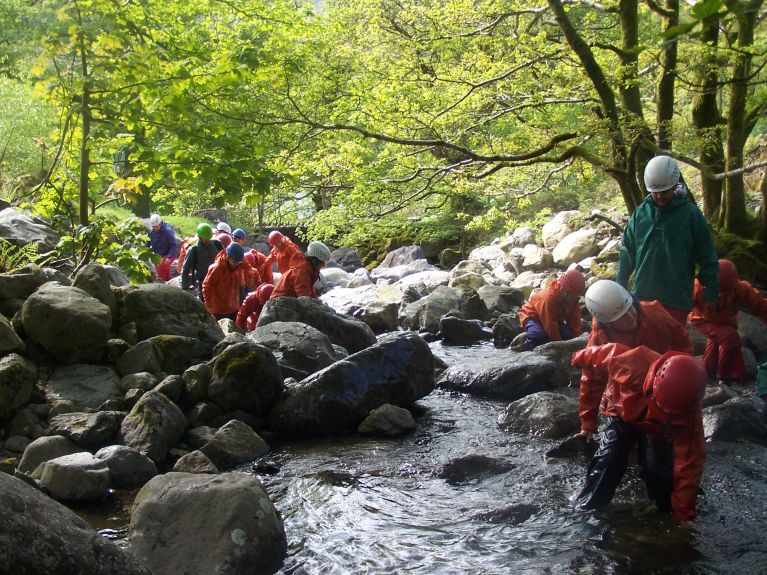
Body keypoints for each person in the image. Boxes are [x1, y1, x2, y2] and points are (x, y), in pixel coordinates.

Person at [572, 344, 707, 521]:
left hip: (656, 427)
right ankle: (586, 509)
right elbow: (593, 357)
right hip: (619, 410)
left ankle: (664, 513)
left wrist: (683, 513)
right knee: (608, 460)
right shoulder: (630, 362)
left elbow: (689, 462)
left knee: (658, 471)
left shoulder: (689, 416)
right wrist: (577, 358)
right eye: (664, 408)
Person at [579, 279, 693, 442]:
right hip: (621, 394)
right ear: (609, 324)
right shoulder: (601, 336)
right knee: (610, 454)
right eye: (622, 317)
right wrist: (588, 423)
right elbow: (592, 378)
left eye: (630, 308)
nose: (631, 316)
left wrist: (682, 378)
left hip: (658, 387)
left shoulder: (654, 313)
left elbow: (682, 342)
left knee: (655, 458)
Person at [617, 155, 719, 325]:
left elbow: (706, 255)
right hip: (642, 295)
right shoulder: (640, 214)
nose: (659, 196)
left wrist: (710, 291)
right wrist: (619, 284)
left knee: (672, 348)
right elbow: (627, 251)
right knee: (643, 348)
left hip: (675, 299)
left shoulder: (690, 215)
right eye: (655, 192)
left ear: (674, 186)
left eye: (664, 191)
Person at [688, 259, 767, 385]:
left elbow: (760, 306)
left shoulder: (741, 289)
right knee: (730, 337)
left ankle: (707, 375)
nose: (720, 295)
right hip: (702, 320)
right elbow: (682, 302)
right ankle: (724, 378)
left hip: (725, 322)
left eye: (724, 291)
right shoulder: (698, 286)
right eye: (717, 290)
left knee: (717, 341)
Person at [518, 269, 585, 350]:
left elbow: (575, 323)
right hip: (532, 316)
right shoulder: (548, 298)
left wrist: (576, 345)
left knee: (567, 335)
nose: (575, 298)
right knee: (537, 336)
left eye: (576, 296)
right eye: (573, 295)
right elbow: (550, 326)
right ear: (563, 290)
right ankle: (527, 349)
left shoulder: (573, 300)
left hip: (553, 318)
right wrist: (559, 348)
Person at [202, 242, 246, 320]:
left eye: (238, 262)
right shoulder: (217, 268)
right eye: (235, 262)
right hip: (219, 310)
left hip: (234, 308)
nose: (236, 264)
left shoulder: (238, 267)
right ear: (228, 257)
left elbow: (240, 286)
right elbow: (206, 287)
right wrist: (209, 306)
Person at [180, 223, 223, 300]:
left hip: (219, 282)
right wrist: (184, 288)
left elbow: (225, 259)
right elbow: (185, 269)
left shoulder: (217, 244)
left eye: (209, 238)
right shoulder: (194, 250)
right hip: (203, 284)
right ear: (199, 237)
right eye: (205, 238)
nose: (207, 240)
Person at [147, 213, 178, 281]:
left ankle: (160, 284)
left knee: (160, 268)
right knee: (165, 271)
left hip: (169, 254)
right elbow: (148, 242)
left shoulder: (168, 231)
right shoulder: (152, 232)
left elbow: (174, 245)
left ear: (160, 223)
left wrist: (169, 257)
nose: (155, 228)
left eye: (156, 226)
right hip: (158, 255)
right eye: (153, 226)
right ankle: (169, 282)